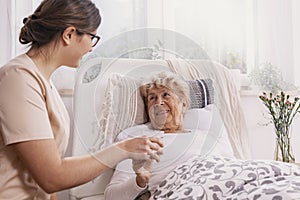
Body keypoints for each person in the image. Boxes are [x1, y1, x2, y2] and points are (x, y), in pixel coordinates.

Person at [0, 1, 163, 199]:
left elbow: (49, 184)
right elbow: (51, 176)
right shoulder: (18, 78)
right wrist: (124, 149)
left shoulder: (44, 83)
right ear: (69, 34)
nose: (92, 49)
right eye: (92, 37)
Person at [104, 72, 211, 200]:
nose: (158, 103)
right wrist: (140, 181)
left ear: (183, 104)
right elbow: (111, 196)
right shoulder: (139, 139)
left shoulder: (206, 136)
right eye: (152, 98)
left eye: (166, 95)